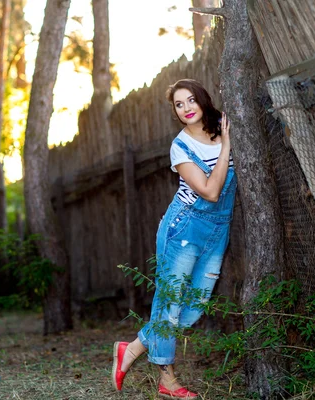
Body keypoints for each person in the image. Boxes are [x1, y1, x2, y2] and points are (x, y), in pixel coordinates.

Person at [112, 78, 236, 399]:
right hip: (184, 228)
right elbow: (209, 191)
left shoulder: (224, 124)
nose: (186, 109)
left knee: (193, 308)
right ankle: (167, 381)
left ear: (203, 100)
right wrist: (226, 148)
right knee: (169, 305)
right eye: (179, 105)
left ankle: (133, 347)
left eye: (190, 100)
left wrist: (225, 139)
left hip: (217, 228)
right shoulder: (181, 146)